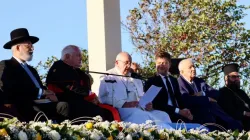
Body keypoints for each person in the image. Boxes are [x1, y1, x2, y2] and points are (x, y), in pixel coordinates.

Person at [0, 28, 69, 122]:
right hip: (24, 105)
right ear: (17, 47)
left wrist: (49, 93)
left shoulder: (32, 70)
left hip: (42, 102)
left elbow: (41, 88)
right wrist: (41, 92)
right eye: (28, 45)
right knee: (42, 111)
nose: (32, 48)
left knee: (64, 105)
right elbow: (11, 88)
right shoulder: (7, 65)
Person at [97, 52, 172, 129]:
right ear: (117, 63)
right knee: (141, 115)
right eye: (126, 63)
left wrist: (147, 105)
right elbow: (102, 98)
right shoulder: (107, 76)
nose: (129, 66)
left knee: (163, 115)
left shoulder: (135, 78)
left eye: (130, 63)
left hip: (139, 109)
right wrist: (123, 104)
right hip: (120, 110)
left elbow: (141, 96)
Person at [46, 45, 113, 121]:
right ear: (67, 56)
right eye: (78, 55)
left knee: (108, 111)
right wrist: (90, 94)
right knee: (98, 112)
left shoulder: (77, 71)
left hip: (79, 102)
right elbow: (71, 87)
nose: (81, 58)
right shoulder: (58, 68)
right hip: (66, 102)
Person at [177, 58, 242, 131]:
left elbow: (215, 93)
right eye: (190, 67)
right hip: (195, 116)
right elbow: (186, 100)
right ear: (182, 72)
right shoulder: (179, 84)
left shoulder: (199, 81)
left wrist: (203, 93)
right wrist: (207, 99)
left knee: (234, 123)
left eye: (194, 66)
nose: (193, 69)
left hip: (211, 113)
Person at [145, 52, 193, 122]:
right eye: (159, 63)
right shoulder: (151, 81)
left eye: (164, 63)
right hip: (162, 114)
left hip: (177, 113)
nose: (161, 65)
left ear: (169, 65)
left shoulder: (173, 80)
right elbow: (156, 103)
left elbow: (178, 98)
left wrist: (185, 110)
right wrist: (178, 111)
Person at [218, 63, 250, 131]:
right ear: (226, 78)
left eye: (238, 77)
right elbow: (229, 111)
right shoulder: (222, 92)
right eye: (233, 77)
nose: (237, 79)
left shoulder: (242, 92)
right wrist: (245, 113)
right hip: (234, 124)